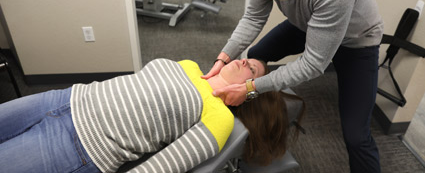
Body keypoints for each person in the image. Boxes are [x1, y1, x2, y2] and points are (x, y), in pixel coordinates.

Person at [204, 0, 384, 173]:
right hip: (310, 23)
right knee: (256, 58)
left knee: (356, 134)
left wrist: (251, 88)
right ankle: (257, 129)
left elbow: (313, 64)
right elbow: (254, 18)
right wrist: (222, 59)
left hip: (356, 42)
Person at [0, 57, 301, 173]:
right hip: (64, 98)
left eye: (253, 70)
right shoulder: (190, 65)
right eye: (249, 58)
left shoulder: (218, 118)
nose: (246, 60)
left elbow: (162, 167)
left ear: (250, 90)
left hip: (78, 147)